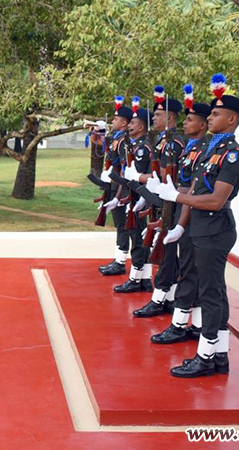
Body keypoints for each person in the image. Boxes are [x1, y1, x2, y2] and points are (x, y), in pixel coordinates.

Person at [152, 74, 239, 377]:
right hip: (201, 227)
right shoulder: (211, 150)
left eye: (217, 114)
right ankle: (219, 356)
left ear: (231, 119)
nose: (211, 118)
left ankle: (206, 356)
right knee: (214, 290)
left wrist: (176, 195)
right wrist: (180, 222)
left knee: (210, 292)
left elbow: (216, 200)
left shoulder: (232, 155)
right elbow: (195, 191)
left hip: (215, 228)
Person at [151, 90, 212, 343]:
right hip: (182, 210)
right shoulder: (190, 149)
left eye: (190, 120)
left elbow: (190, 189)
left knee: (190, 271)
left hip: (195, 215)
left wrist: (179, 224)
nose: (186, 123)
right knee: (188, 269)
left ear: (203, 124)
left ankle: (180, 326)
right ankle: (195, 325)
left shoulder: (204, 150)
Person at [131, 86, 185, 316]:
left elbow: (166, 178)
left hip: (172, 204)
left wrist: (141, 178)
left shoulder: (172, 143)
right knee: (166, 250)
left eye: (158, 114)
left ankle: (160, 297)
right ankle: (168, 296)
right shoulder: (163, 141)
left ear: (170, 117)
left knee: (166, 250)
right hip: (164, 202)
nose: (153, 117)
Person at [114, 99, 154, 293]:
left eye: (132, 123)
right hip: (132, 196)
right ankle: (143, 278)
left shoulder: (144, 147)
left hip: (140, 197)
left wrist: (141, 200)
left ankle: (137, 278)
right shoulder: (133, 145)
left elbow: (144, 176)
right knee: (135, 237)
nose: (129, 125)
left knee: (138, 239)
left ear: (142, 126)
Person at [99, 96, 134, 276]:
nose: (113, 121)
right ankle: (118, 258)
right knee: (119, 224)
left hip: (121, 188)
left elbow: (124, 169)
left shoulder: (123, 142)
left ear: (124, 123)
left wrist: (119, 195)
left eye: (116, 119)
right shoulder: (117, 139)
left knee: (122, 226)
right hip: (114, 186)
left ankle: (120, 262)